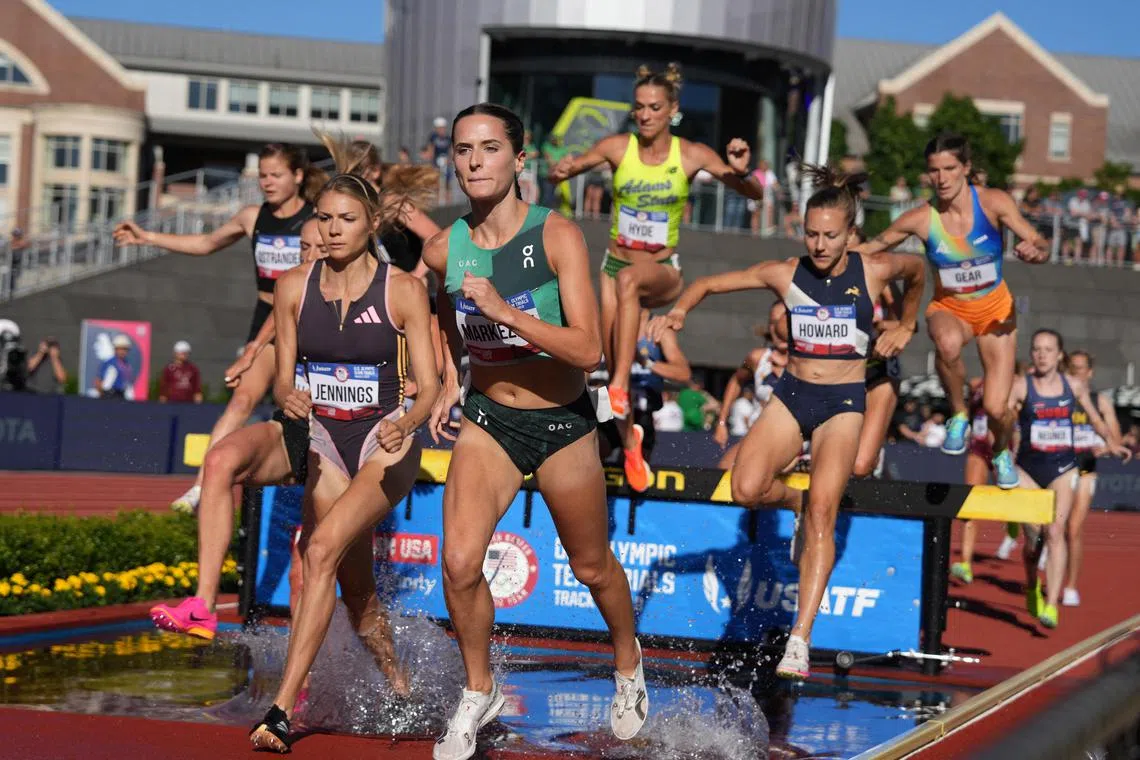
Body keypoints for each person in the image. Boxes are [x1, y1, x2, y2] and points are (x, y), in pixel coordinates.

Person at [424, 103, 648, 760]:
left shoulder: (558, 237)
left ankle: (627, 663)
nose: (473, 161)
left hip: (561, 423)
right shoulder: (446, 248)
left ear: (519, 160)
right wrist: (445, 378)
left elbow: (586, 350)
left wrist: (502, 311)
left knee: (590, 566)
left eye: (489, 148)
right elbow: (439, 315)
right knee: (460, 563)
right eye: (463, 149)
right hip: (490, 420)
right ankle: (479, 689)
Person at [648, 162, 926, 680]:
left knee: (823, 513)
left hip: (844, 400)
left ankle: (800, 637)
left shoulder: (874, 268)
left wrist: (907, 324)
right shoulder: (786, 273)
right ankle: (801, 496)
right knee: (746, 487)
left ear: (849, 233)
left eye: (830, 236)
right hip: (794, 394)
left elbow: (918, 271)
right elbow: (708, 282)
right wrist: (680, 311)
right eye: (812, 234)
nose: (820, 245)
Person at [249, 159, 440, 752]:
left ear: (371, 224)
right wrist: (292, 397)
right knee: (357, 593)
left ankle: (280, 710)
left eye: (346, 219)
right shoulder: (292, 287)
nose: (332, 229)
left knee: (320, 546)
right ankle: (404, 689)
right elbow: (282, 382)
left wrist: (405, 422)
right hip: (328, 439)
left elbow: (430, 387)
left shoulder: (403, 289)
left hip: (387, 437)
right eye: (324, 218)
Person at [548, 63, 765, 469]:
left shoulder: (691, 154)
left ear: (672, 110)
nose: (646, 115)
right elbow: (572, 165)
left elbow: (751, 192)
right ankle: (630, 440)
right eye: (640, 107)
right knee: (612, 354)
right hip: (613, 267)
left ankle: (616, 386)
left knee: (630, 287)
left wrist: (743, 172)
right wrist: (561, 169)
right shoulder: (617, 148)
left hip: (663, 271)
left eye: (655, 107)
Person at [114, 143, 324, 513]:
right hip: (267, 317)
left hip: (312, 318)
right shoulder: (250, 217)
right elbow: (207, 242)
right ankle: (201, 488)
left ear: (298, 176)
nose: (267, 182)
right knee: (242, 399)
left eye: (276, 175)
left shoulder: (317, 220)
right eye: (262, 175)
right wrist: (146, 237)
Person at [151, 218, 327, 641]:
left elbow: (421, 345)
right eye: (302, 248)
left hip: (345, 441)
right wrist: (254, 357)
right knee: (220, 460)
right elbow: (276, 348)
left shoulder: (383, 290)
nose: (308, 257)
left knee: (322, 569)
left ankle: (390, 681)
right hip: (293, 429)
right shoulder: (292, 291)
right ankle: (203, 606)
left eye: (318, 248)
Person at [853, 133, 1050, 489]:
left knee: (995, 409)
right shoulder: (921, 218)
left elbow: (1037, 239)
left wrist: (1036, 249)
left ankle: (1002, 452)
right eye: (934, 171)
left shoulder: (992, 203)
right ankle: (958, 414)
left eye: (949, 169)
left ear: (966, 169)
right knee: (945, 343)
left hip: (995, 314)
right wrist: (833, 252)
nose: (941, 178)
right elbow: (874, 246)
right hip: (951, 310)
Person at [1010, 330, 1128, 629]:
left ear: (1058, 355)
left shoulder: (1073, 386)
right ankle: (1031, 583)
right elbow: (1005, 423)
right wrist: (1003, 452)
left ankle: (1051, 604)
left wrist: (1111, 444)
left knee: (1056, 529)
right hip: (1027, 467)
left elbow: (1096, 418)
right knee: (1033, 537)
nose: (1041, 355)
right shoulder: (1021, 386)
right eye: (1037, 349)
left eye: (1048, 349)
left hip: (1063, 467)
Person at [599, 308, 691, 487]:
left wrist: (646, 362)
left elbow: (684, 373)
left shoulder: (658, 330)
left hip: (642, 412)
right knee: (589, 457)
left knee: (635, 480)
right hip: (610, 407)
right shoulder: (610, 320)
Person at [1062, 350, 1124, 607]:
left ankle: (1071, 586)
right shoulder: (1059, 397)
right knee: (1051, 526)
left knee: (1074, 529)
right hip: (1059, 468)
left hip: (1086, 468)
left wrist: (1106, 447)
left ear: (1090, 372)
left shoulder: (1100, 401)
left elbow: (1116, 439)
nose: (1077, 372)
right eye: (1072, 368)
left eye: (1081, 368)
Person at [715, 301, 789, 470]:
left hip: (796, 441)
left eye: (784, 322)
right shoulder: (757, 358)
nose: (778, 329)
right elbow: (736, 380)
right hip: (758, 437)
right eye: (772, 323)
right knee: (723, 472)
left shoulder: (810, 363)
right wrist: (722, 422)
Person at [950, 378, 993, 584]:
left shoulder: (1016, 381)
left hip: (1007, 449)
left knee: (1020, 501)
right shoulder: (977, 384)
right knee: (971, 503)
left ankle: (1014, 522)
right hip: (979, 448)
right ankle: (965, 562)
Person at [96, 334, 135, 399]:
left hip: (122, 395)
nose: (122, 351)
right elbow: (98, 381)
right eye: (120, 349)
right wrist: (104, 395)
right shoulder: (109, 363)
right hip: (109, 395)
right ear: (115, 349)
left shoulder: (127, 365)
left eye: (125, 349)